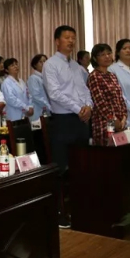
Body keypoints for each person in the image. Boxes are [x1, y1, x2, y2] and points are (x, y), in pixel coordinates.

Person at [42, 25, 92, 228]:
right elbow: (54, 93)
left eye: (73, 37)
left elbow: (85, 90)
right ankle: (59, 212)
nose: (71, 41)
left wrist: (88, 106)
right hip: (63, 122)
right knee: (61, 168)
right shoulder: (50, 65)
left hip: (81, 121)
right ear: (57, 41)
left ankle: (80, 209)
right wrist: (79, 108)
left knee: (81, 166)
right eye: (66, 37)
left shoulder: (77, 67)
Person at [87, 44, 127, 145]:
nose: (107, 57)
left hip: (120, 123)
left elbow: (120, 98)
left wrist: (124, 117)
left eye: (109, 53)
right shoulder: (94, 76)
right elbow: (100, 102)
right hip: (104, 124)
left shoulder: (112, 76)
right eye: (102, 55)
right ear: (95, 58)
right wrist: (114, 120)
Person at [28, 54, 52, 121]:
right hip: (38, 112)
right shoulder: (33, 78)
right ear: (35, 65)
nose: (43, 64)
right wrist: (49, 107)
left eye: (45, 61)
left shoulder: (46, 78)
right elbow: (36, 96)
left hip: (48, 112)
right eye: (40, 62)